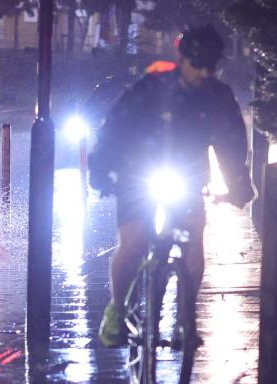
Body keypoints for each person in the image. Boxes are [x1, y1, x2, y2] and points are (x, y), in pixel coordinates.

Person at [90, 23, 256, 347]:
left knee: (194, 240)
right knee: (134, 242)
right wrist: (103, 168)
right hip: (137, 172)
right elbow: (116, 126)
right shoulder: (152, 87)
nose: (202, 74)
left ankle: (186, 317)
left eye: (209, 67)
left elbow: (231, 141)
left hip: (189, 174)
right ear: (183, 59)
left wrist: (238, 183)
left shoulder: (218, 97)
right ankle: (117, 308)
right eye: (197, 65)